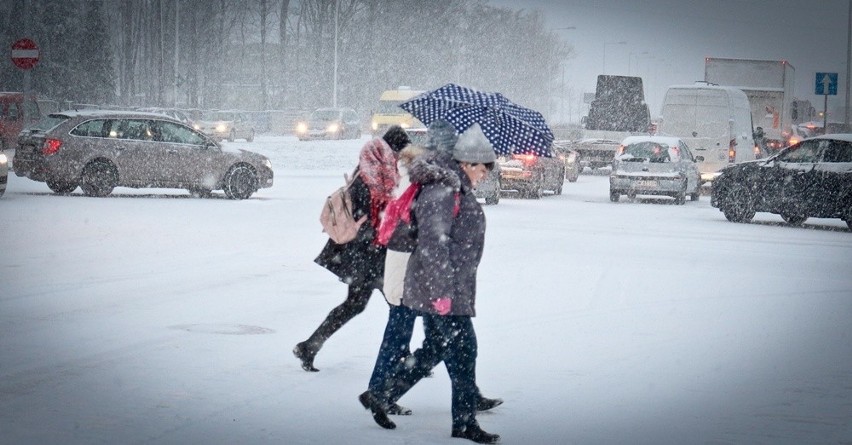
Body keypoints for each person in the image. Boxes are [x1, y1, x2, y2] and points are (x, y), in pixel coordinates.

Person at [359, 122, 501, 444]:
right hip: (441, 291)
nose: (485, 175)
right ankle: (464, 423)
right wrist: (441, 295)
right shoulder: (443, 190)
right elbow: (433, 246)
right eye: (483, 169)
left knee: (437, 348)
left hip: (446, 288)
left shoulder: (454, 187)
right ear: (468, 163)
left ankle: (381, 394)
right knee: (465, 350)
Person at [293, 125, 411, 372]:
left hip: (365, 253)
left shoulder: (373, 169)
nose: (399, 158)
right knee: (396, 304)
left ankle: (309, 346)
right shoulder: (374, 175)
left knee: (360, 304)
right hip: (367, 253)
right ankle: (405, 358)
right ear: (392, 149)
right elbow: (367, 214)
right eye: (399, 152)